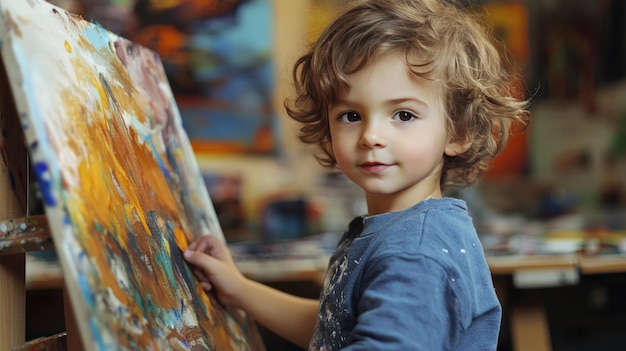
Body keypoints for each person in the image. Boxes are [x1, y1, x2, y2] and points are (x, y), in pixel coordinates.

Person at [184, 0, 529, 349]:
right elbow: (334, 330)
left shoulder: (416, 254)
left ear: (458, 132)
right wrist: (239, 289)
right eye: (351, 116)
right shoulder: (400, 230)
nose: (371, 136)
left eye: (404, 115)